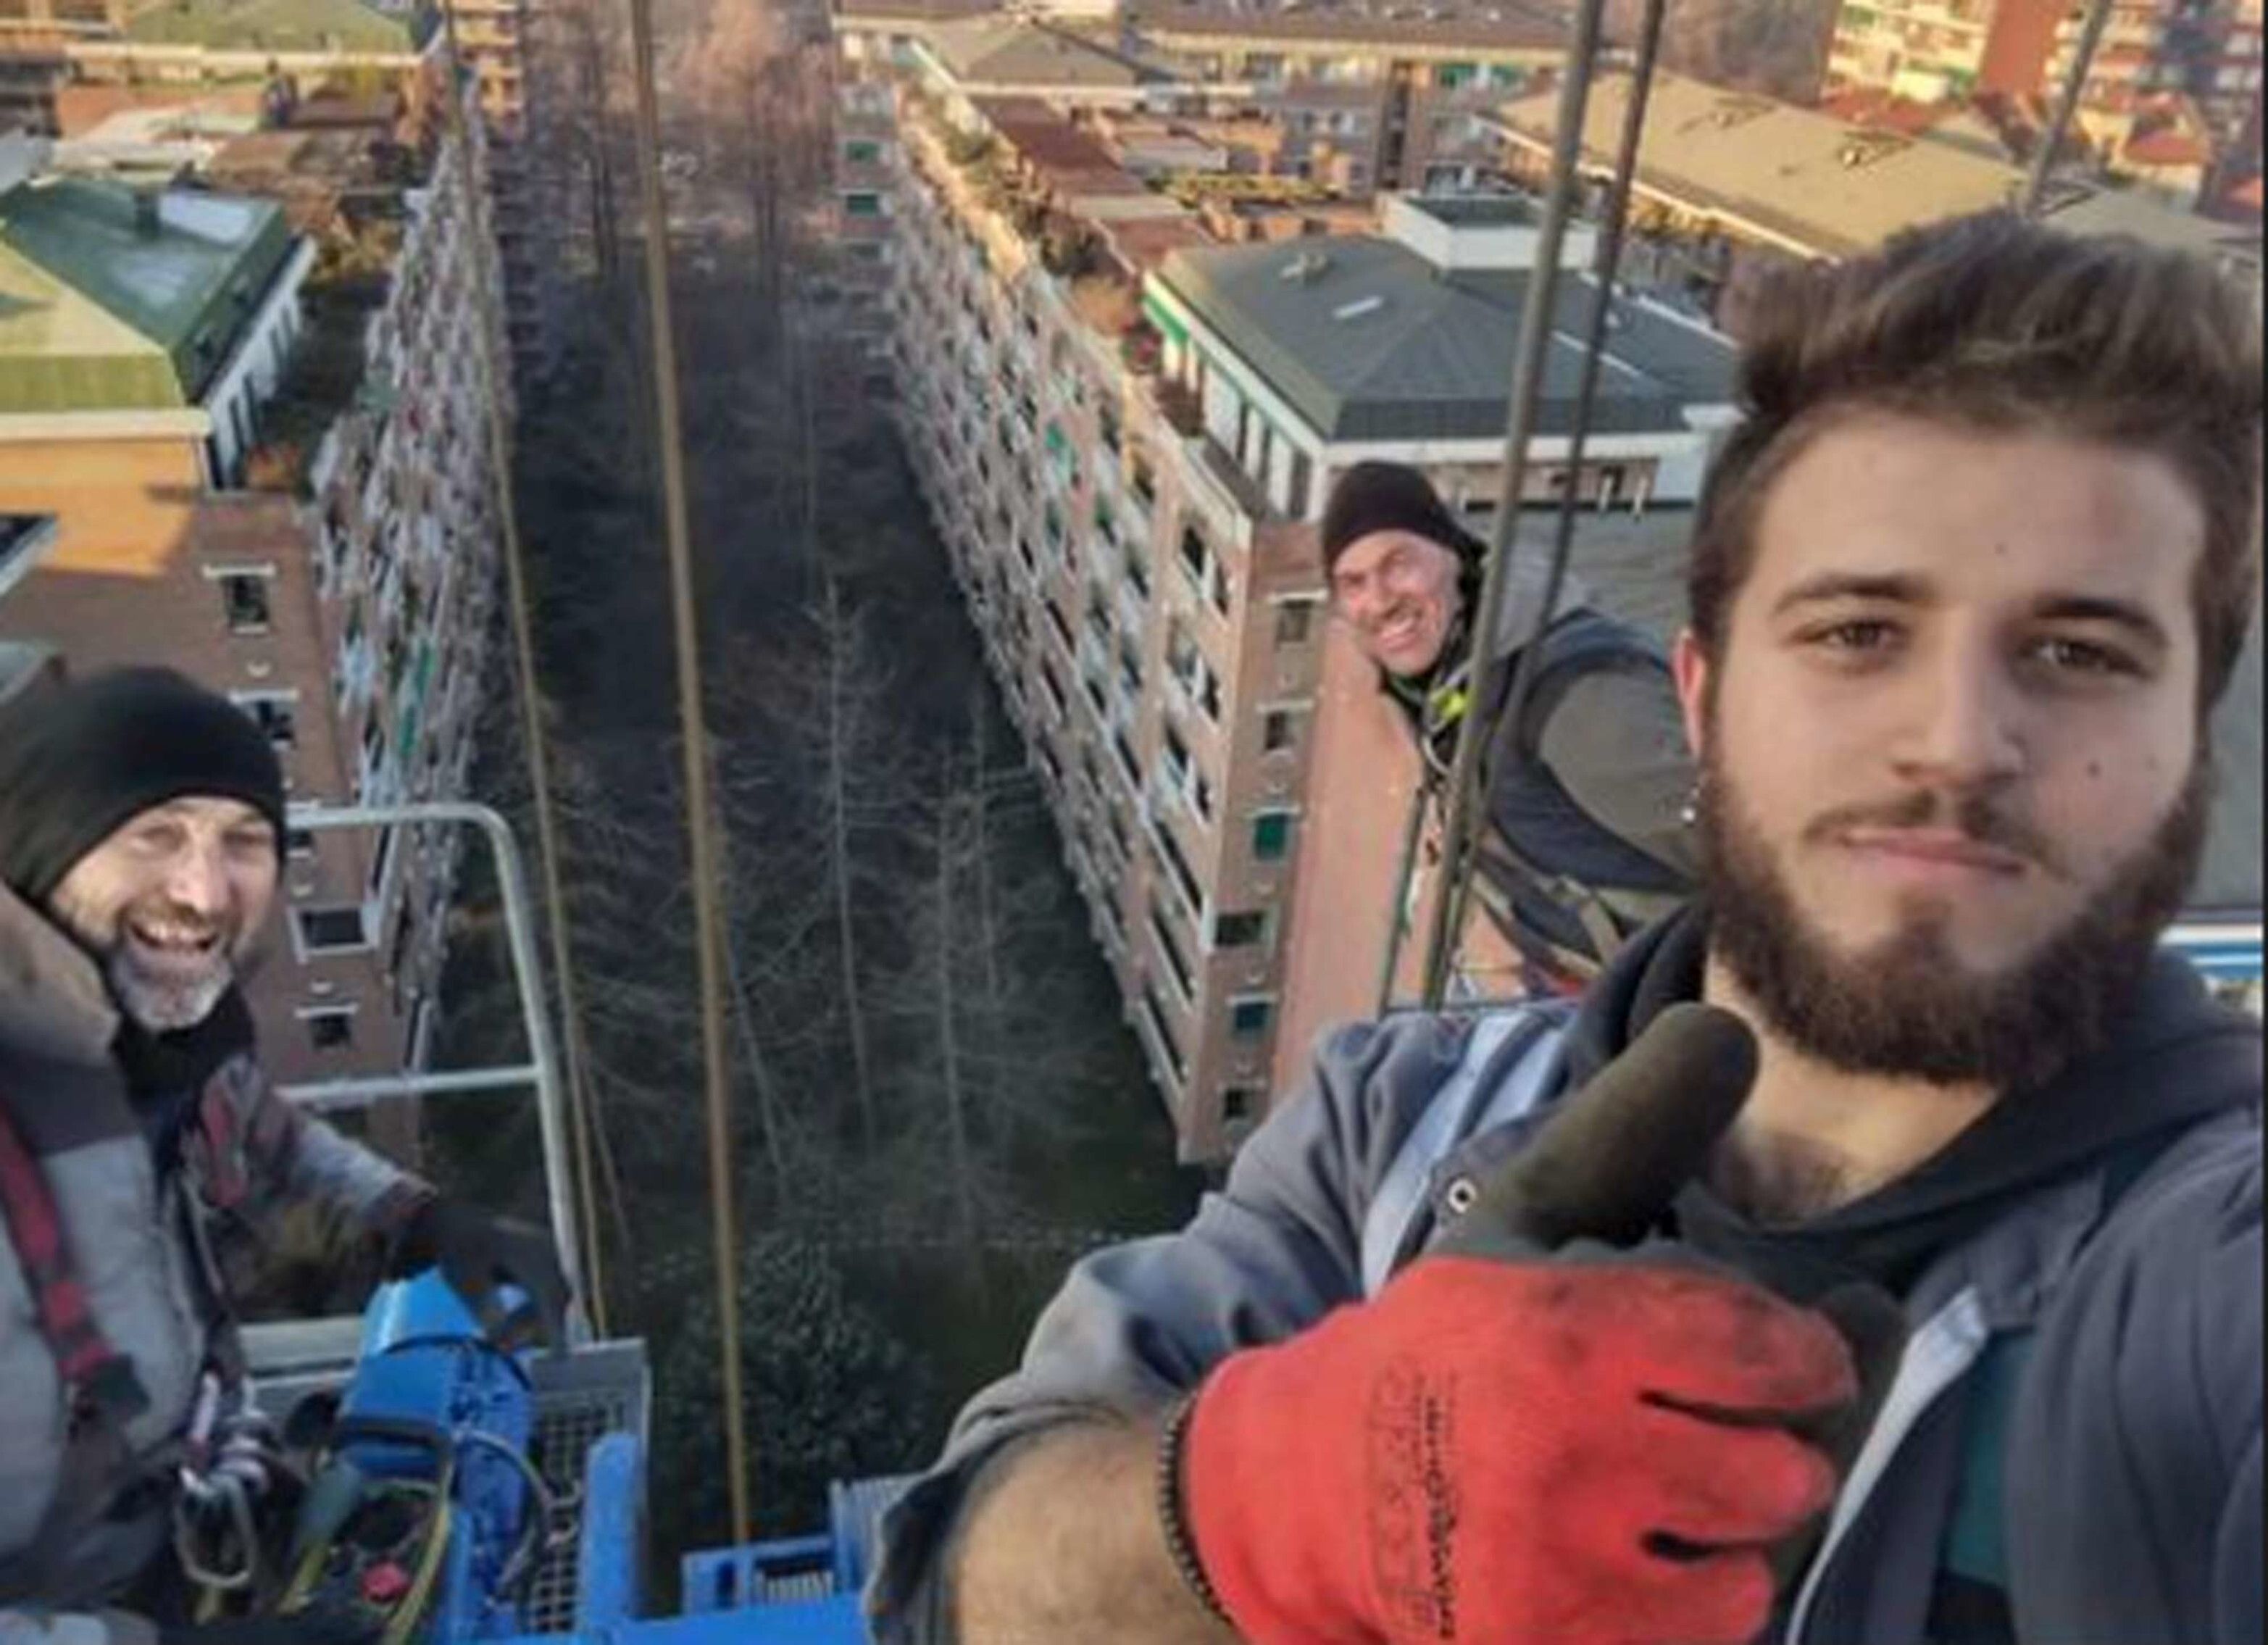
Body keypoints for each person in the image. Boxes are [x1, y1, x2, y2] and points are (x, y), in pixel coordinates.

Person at [867, 212, 2264, 1645]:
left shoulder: (2207, 1294)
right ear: (1707, 695)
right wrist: (1267, 1505)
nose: (1958, 740)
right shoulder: (1392, 1125)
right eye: (1857, 631)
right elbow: (949, 1587)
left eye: (2078, 652)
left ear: (2192, 751)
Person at [0, 667, 567, 1641]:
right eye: (155, 834)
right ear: (44, 847)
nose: (202, 890)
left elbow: (272, 1143)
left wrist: (417, 1217)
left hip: (177, 1535)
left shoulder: (153, 1046)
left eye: (243, 842)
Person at [1321, 459, 1696, 995]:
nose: (1378, 600)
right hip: (1609, 988)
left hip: (1686, 1001)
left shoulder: (1572, 699)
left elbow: (1752, 849)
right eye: (1353, 583)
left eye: (1399, 564)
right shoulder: (1461, 686)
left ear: (1453, 556)